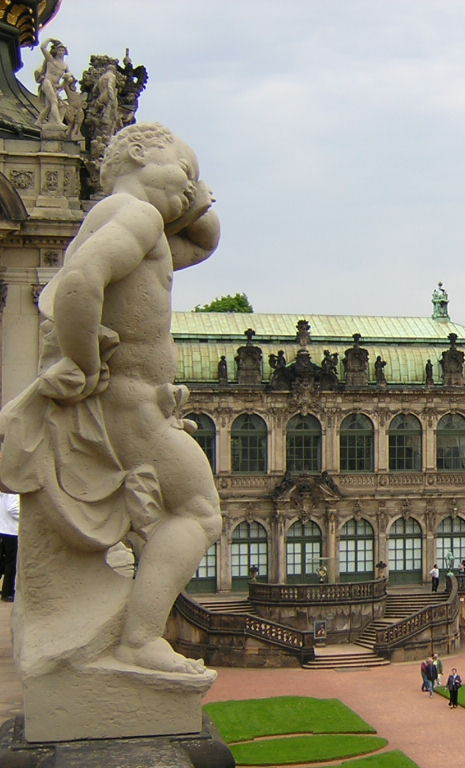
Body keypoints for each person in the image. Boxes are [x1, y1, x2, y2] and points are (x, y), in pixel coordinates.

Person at [0, 124, 222, 676]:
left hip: (137, 403)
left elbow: (203, 241)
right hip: (129, 404)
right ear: (140, 154)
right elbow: (80, 280)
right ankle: (140, 638)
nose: (191, 183)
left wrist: (190, 199)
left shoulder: (139, 224)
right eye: (182, 167)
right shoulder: (137, 216)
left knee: (188, 510)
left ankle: (134, 634)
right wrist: (85, 363)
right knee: (198, 512)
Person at [0, 491, 19, 601]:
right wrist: (26, 516)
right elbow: (13, 508)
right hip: (12, 531)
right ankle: (8, 593)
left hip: (3, 529)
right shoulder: (13, 493)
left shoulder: (3, 492)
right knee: (11, 563)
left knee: (3, 562)